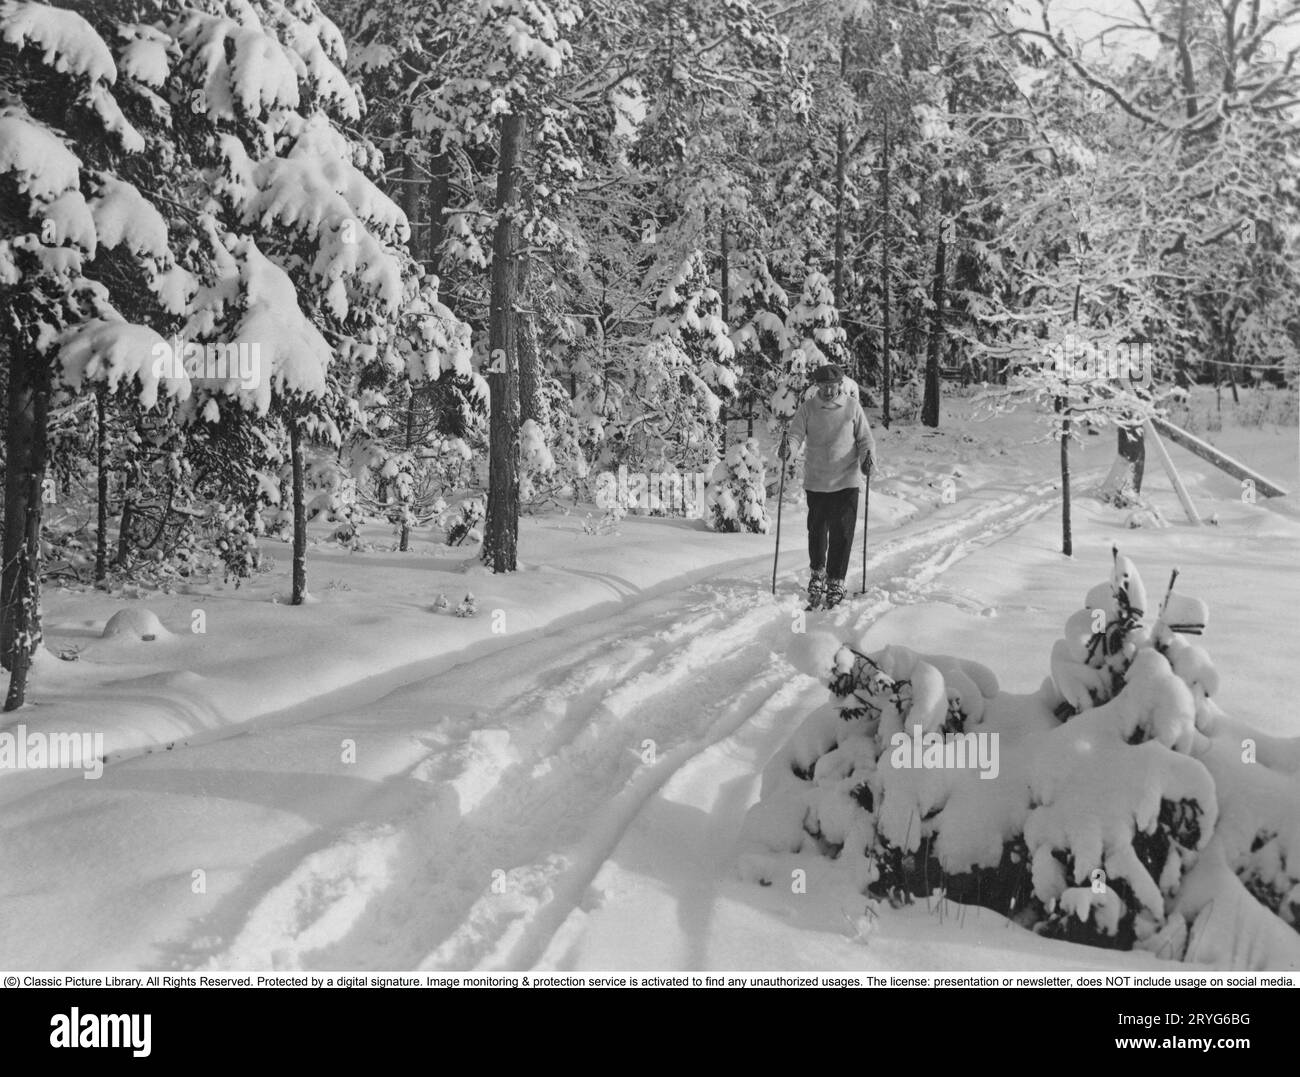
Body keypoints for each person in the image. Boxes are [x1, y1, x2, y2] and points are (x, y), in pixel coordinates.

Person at [778, 363, 876, 609]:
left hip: (847, 480)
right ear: (817, 386)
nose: (829, 391)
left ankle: (836, 579)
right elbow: (796, 435)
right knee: (818, 531)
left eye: (832, 386)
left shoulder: (852, 408)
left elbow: (865, 439)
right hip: (818, 480)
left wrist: (867, 458)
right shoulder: (808, 408)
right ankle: (818, 573)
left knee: (843, 532)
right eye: (824, 386)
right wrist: (788, 448)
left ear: (840, 385)